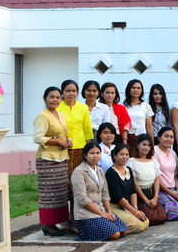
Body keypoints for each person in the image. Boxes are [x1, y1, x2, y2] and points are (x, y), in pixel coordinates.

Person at [33, 86, 72, 236]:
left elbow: (64, 133)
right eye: (52, 97)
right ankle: (48, 224)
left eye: (57, 97)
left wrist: (68, 141)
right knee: (48, 193)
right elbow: (37, 137)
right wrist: (56, 142)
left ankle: (59, 221)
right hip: (47, 160)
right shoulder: (43, 116)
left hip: (62, 159)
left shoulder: (60, 115)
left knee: (60, 193)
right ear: (45, 98)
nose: (55, 100)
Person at [71, 141, 127, 241]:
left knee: (123, 231)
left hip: (101, 209)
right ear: (85, 155)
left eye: (98, 153)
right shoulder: (79, 171)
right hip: (86, 214)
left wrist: (109, 212)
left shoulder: (99, 169)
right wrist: (102, 214)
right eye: (92, 153)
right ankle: (84, 234)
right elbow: (82, 199)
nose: (95, 156)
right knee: (115, 234)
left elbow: (105, 193)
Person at [59, 79, 94, 222]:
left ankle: (77, 217)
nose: (71, 93)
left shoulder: (83, 108)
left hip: (80, 150)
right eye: (68, 90)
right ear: (62, 92)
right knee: (64, 184)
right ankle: (63, 218)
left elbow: (87, 129)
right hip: (62, 150)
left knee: (78, 183)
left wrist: (88, 151)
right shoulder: (58, 107)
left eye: (74, 91)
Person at [105, 144, 149, 234]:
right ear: (115, 156)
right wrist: (135, 212)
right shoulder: (111, 172)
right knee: (138, 225)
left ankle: (122, 229)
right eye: (121, 154)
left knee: (146, 221)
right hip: (114, 206)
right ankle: (119, 231)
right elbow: (118, 196)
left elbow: (133, 190)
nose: (124, 157)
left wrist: (135, 208)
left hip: (127, 206)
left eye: (126, 154)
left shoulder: (128, 169)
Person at [127, 133, 166, 225]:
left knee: (162, 217)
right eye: (144, 144)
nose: (146, 148)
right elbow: (135, 183)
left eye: (149, 145)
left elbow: (157, 180)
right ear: (137, 145)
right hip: (139, 197)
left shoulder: (153, 161)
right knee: (150, 218)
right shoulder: (131, 161)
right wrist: (146, 200)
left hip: (152, 195)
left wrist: (155, 197)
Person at [154, 127, 178, 220]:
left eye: (171, 137)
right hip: (160, 189)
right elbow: (156, 177)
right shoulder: (155, 151)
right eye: (166, 136)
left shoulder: (173, 153)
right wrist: (170, 193)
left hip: (172, 188)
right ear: (159, 137)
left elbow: (175, 175)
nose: (169, 139)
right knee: (174, 212)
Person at [124, 79, 154, 155]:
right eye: (133, 88)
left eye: (138, 88)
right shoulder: (123, 106)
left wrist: (152, 144)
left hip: (142, 139)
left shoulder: (146, 106)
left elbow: (149, 126)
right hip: (128, 138)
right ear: (129, 89)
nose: (136, 90)